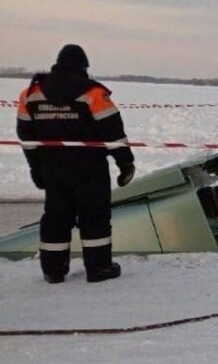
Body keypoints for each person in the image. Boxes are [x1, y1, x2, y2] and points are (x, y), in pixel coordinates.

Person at [15, 44, 133, 283]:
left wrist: (35, 167)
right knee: (94, 218)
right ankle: (99, 268)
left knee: (56, 218)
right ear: (83, 67)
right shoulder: (93, 93)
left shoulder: (30, 94)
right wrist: (126, 164)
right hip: (89, 169)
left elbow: (27, 137)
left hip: (52, 168)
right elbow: (113, 132)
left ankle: (53, 271)